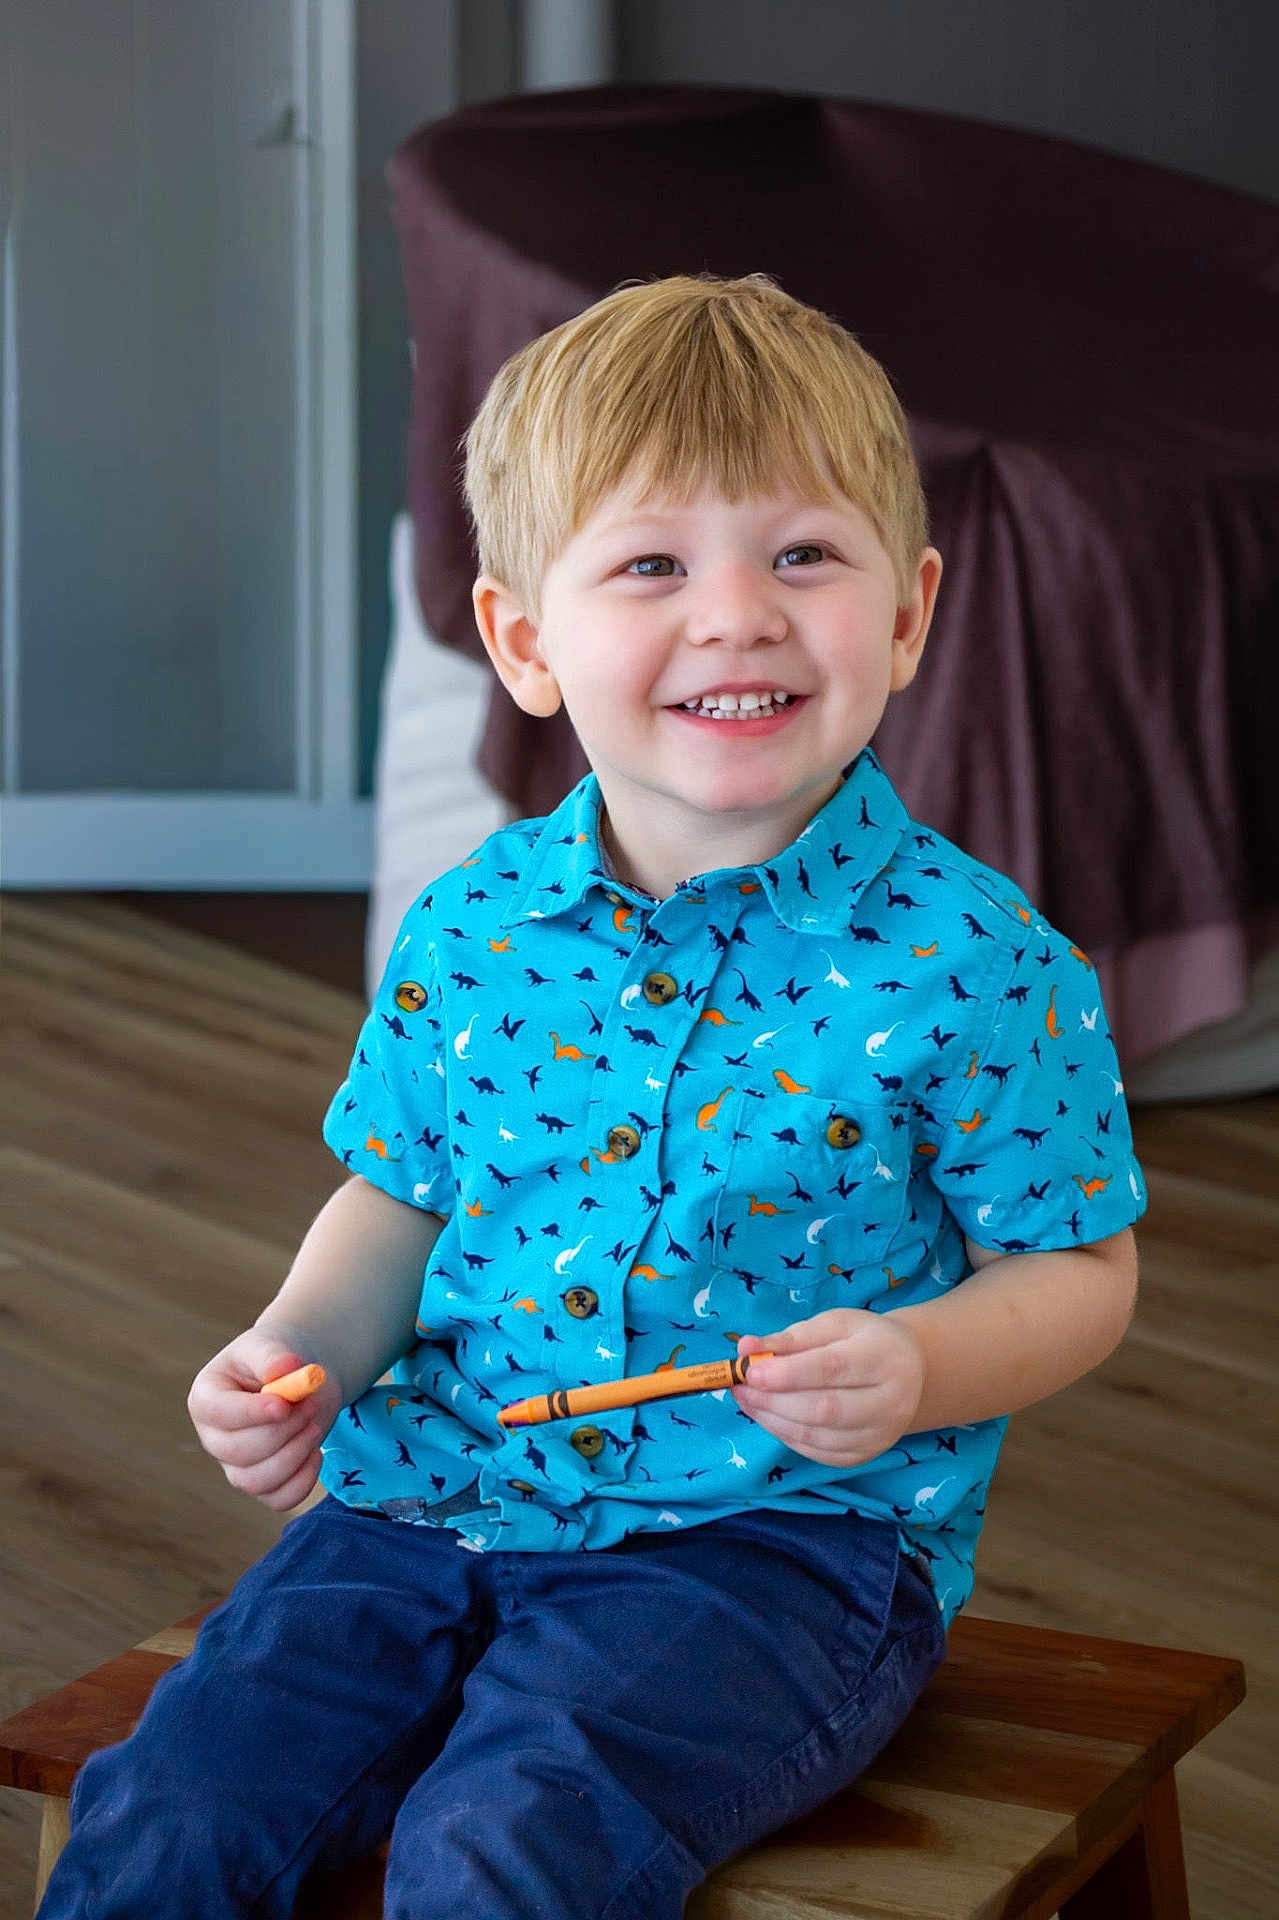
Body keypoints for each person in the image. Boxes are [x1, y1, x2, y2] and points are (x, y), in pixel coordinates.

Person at [39, 273, 1146, 1919]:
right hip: (427, 1498)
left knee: (511, 1835)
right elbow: (400, 1194)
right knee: (176, 1804)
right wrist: (303, 1349)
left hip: (775, 1556)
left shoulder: (982, 967)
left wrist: (922, 1364)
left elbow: (1080, 1273)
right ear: (525, 642)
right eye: (651, 565)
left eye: (803, 557)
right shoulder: (473, 923)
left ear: (907, 615)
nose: (736, 616)